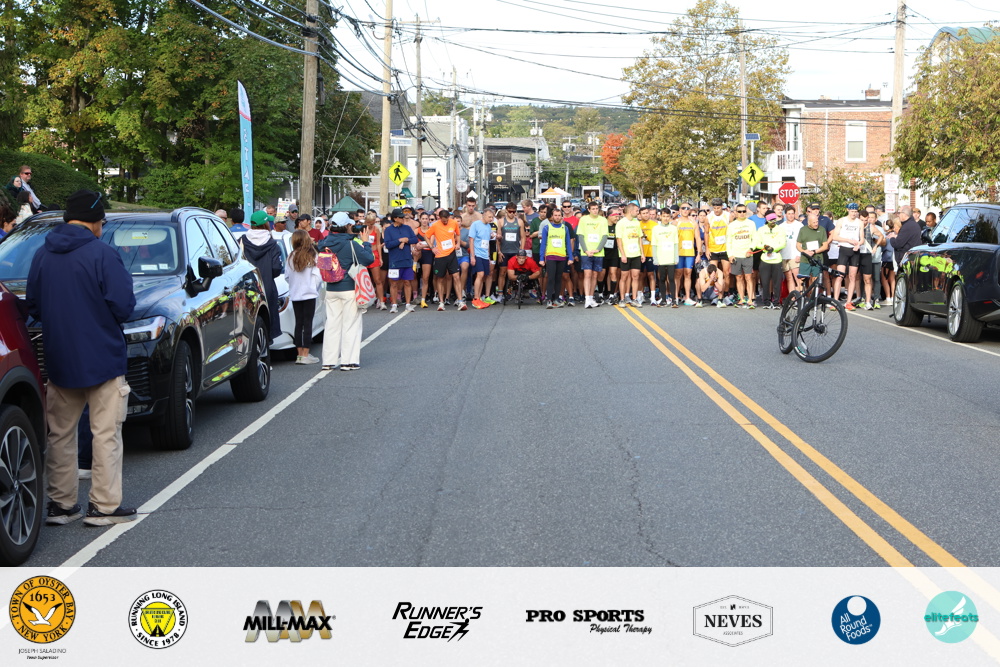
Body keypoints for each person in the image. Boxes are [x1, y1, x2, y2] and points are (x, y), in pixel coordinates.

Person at [25, 189, 137, 526]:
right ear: (95, 220)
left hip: (59, 355)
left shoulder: (42, 254)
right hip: (102, 355)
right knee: (105, 433)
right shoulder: (102, 254)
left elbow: (33, 306)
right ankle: (103, 507)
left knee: (59, 434)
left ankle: (61, 505)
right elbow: (123, 306)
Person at [318, 221, 375, 370]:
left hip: (330, 288)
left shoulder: (324, 244)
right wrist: (366, 243)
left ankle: (328, 361)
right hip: (349, 287)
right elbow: (369, 259)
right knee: (351, 324)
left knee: (331, 325)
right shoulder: (351, 244)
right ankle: (348, 361)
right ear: (346, 227)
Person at [240, 210, 283, 341]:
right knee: (266, 327)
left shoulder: (241, 241)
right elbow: (276, 268)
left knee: (248, 327)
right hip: (266, 287)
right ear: (265, 224)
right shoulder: (272, 244)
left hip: (246, 289)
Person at [285, 229, 321, 364]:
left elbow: (287, 276)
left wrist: (294, 286)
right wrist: (313, 288)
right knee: (308, 323)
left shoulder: (291, 256)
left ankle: (299, 354)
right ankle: (306, 354)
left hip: (295, 294)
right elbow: (317, 276)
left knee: (298, 323)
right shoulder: (312, 255)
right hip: (309, 293)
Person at [427, 209, 466, 311]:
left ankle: (460, 301)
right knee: (440, 278)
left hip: (451, 254)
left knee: (456, 276)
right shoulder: (435, 225)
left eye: (446, 220)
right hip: (440, 255)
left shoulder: (453, 223)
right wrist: (432, 247)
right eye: (443, 221)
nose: (445, 222)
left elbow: (458, 234)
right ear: (439, 218)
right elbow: (426, 236)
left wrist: (458, 243)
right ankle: (441, 302)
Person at [829, 203, 865, 310]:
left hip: (855, 251)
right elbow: (835, 237)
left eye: (855, 211)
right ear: (848, 210)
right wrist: (848, 240)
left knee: (852, 276)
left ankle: (848, 302)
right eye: (852, 211)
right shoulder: (842, 221)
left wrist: (858, 244)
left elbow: (862, 238)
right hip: (844, 249)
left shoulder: (859, 222)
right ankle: (835, 301)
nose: (854, 213)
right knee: (840, 276)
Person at [382, 208, 418, 313]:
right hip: (394, 260)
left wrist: (406, 240)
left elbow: (414, 239)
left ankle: (408, 304)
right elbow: (388, 244)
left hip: (406, 259)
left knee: (407, 282)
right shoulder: (388, 230)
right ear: (395, 218)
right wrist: (399, 240)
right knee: (393, 283)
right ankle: (394, 304)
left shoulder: (407, 228)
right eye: (401, 217)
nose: (403, 219)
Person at [576, 201, 609, 308]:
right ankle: (587, 299)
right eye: (593, 209)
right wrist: (586, 250)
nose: (595, 211)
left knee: (595, 275)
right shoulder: (583, 219)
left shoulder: (603, 220)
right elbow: (580, 236)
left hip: (598, 252)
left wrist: (598, 249)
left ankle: (591, 297)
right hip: (586, 252)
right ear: (589, 210)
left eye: (596, 208)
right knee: (587, 274)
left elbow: (605, 236)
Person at [539, 207, 573, 309]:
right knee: (551, 278)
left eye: (559, 215)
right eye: (555, 215)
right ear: (552, 216)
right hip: (551, 256)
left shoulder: (565, 228)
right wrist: (541, 258)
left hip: (562, 256)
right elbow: (543, 244)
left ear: (561, 216)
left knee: (559, 278)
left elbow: (568, 243)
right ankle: (549, 299)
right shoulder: (547, 228)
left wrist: (570, 257)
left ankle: (557, 299)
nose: (557, 217)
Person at [726, 204, 757, 308]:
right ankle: (742, 298)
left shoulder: (751, 224)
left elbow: (755, 238)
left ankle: (750, 299)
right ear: (736, 213)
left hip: (747, 254)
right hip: (736, 255)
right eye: (739, 211)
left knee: (748, 277)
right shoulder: (732, 225)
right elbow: (728, 241)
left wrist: (751, 249)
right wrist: (730, 255)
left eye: (744, 211)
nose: (742, 213)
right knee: (739, 277)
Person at [496, 202, 526, 303]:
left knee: (517, 273)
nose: (512, 214)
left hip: (515, 251)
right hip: (504, 251)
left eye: (514, 212)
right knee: (502, 272)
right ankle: (500, 294)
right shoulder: (501, 221)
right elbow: (498, 238)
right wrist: (499, 251)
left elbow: (523, 237)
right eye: (510, 212)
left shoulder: (519, 221)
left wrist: (521, 251)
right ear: (506, 211)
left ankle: (517, 293)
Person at [757, 210, 786, 309]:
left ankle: (776, 302)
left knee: (777, 282)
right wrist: (766, 248)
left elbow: (783, 243)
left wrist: (773, 249)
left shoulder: (780, 229)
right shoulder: (761, 229)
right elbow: (758, 243)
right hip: (765, 258)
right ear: (766, 219)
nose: (773, 221)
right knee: (765, 282)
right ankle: (766, 302)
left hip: (776, 258)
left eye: (774, 219)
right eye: (770, 220)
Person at [616, 203, 643, 307]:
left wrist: (642, 253)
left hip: (636, 254)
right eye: (636, 211)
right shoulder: (621, 223)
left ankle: (634, 299)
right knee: (624, 276)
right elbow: (619, 240)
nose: (638, 213)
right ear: (631, 211)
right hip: (626, 254)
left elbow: (640, 238)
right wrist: (623, 254)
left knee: (635, 276)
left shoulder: (637, 222)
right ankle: (622, 299)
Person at [651, 208, 678, 307]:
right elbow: (654, 244)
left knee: (671, 278)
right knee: (662, 278)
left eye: (667, 216)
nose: (666, 218)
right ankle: (663, 299)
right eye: (664, 216)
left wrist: (676, 257)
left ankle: (674, 300)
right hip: (661, 257)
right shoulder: (655, 228)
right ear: (660, 216)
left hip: (670, 257)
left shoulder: (673, 228)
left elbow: (676, 243)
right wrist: (655, 258)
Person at [675, 203, 701, 305]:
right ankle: (675, 297)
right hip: (679, 252)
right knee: (678, 274)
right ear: (680, 210)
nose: (685, 210)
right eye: (683, 208)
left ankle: (687, 297)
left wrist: (699, 253)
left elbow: (697, 238)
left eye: (687, 208)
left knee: (688, 274)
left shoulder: (693, 223)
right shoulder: (675, 222)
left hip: (690, 253)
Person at [796, 206, 831, 285]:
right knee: (802, 280)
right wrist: (804, 251)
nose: (816, 224)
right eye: (814, 222)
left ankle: (814, 293)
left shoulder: (821, 229)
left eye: (817, 222)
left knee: (816, 281)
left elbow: (825, 246)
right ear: (809, 222)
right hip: (805, 259)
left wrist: (814, 251)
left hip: (817, 259)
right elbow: (798, 245)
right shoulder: (803, 230)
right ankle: (803, 293)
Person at [705, 198, 731, 299]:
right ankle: (715, 294)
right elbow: (706, 233)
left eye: (718, 208)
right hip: (713, 248)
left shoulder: (728, 216)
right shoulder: (709, 217)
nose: (716, 210)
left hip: (725, 248)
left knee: (726, 273)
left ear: (722, 207)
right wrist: (707, 248)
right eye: (714, 208)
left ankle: (726, 293)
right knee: (713, 273)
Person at [779, 206, 803, 297]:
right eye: (789, 214)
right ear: (785, 214)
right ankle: (792, 298)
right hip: (784, 255)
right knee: (789, 278)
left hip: (795, 254)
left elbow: (802, 241)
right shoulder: (781, 226)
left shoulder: (799, 225)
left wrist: (799, 254)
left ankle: (800, 297)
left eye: (792, 213)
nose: (791, 215)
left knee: (797, 277)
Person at [414, 211, 435, 308]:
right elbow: (412, 241)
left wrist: (421, 245)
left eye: (426, 219)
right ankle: (415, 296)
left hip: (427, 254)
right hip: (417, 254)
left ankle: (423, 299)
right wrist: (415, 246)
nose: (425, 221)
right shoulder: (417, 230)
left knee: (425, 277)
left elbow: (431, 243)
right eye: (423, 219)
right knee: (414, 276)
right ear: (420, 220)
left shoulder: (431, 229)